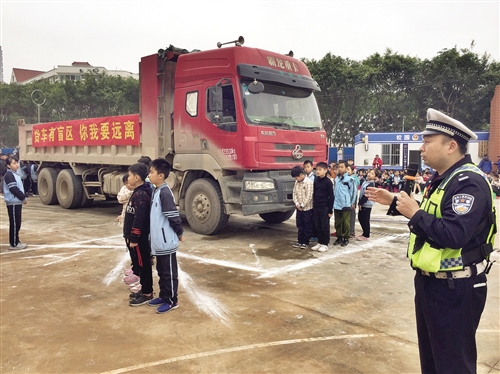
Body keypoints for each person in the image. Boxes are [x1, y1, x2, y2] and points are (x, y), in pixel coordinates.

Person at [365, 108, 497, 374]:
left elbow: (454, 234)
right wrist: (395, 201)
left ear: (451, 146)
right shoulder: (443, 180)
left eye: (427, 142)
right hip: (431, 283)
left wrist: (414, 213)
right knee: (433, 362)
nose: (421, 148)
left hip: (455, 288)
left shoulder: (468, 182)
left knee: (452, 365)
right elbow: (432, 219)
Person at [147, 158, 185, 314]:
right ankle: (163, 296)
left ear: (161, 175)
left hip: (166, 242)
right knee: (162, 271)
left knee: (169, 272)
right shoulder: (156, 190)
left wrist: (180, 232)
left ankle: (171, 300)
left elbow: (172, 216)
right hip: (158, 242)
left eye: (151, 172)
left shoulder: (165, 193)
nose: (149, 175)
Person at [123, 163, 154, 306]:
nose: (128, 178)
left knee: (144, 265)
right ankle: (144, 290)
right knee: (141, 264)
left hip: (140, 239)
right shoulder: (138, 191)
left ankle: (147, 293)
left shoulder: (141, 194)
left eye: (129, 175)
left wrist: (134, 237)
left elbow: (140, 218)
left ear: (136, 177)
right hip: (136, 238)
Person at [3, 156, 28, 250]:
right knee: (14, 223)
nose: (16, 165)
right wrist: (23, 198)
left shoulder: (15, 174)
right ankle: (13, 244)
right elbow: (13, 189)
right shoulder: (9, 175)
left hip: (17, 202)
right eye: (14, 163)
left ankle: (16, 241)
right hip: (13, 203)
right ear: (8, 165)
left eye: (17, 162)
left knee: (17, 223)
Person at [310, 162, 334, 252]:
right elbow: (314, 193)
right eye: (317, 170)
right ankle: (320, 242)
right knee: (317, 225)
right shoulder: (316, 180)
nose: (318, 172)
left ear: (325, 170)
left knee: (324, 226)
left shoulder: (328, 182)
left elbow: (331, 196)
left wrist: (330, 210)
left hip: (325, 207)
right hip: (316, 206)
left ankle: (325, 243)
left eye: (320, 170)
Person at [333, 160, 357, 246]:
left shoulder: (350, 179)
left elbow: (353, 192)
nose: (340, 169)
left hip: (346, 204)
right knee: (337, 222)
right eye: (338, 167)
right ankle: (339, 237)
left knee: (346, 222)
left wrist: (352, 202)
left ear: (346, 168)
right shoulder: (336, 179)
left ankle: (346, 238)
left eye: (342, 167)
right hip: (336, 204)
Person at [291, 166, 314, 249]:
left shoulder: (309, 182)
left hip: (307, 208)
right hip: (299, 208)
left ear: (301, 175)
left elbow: (309, 195)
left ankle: (306, 241)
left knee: (307, 225)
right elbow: (294, 193)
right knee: (299, 224)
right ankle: (300, 241)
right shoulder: (296, 182)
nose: (296, 179)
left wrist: (302, 205)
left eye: (296, 177)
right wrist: (297, 203)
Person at [357, 169, 376, 241]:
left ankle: (366, 234)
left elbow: (366, 195)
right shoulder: (366, 182)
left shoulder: (371, 184)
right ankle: (364, 232)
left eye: (372, 173)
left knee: (365, 219)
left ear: (375, 177)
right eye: (369, 172)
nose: (369, 174)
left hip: (367, 204)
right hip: (363, 204)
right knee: (360, 218)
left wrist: (360, 203)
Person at [347, 165, 360, 238]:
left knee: (351, 215)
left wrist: (353, 202)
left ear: (352, 171)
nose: (347, 171)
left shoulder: (354, 178)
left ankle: (351, 231)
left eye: (348, 169)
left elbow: (354, 190)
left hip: (352, 199)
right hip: (346, 200)